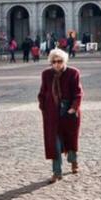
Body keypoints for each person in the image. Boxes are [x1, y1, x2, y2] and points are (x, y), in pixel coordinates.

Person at [38, 48, 82, 182]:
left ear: (64, 61)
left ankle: (73, 161)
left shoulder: (73, 73)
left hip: (69, 111)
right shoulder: (46, 74)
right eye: (54, 62)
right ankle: (57, 172)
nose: (57, 64)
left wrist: (73, 108)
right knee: (54, 143)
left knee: (70, 139)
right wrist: (43, 106)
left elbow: (78, 93)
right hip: (52, 113)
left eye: (60, 61)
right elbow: (42, 92)